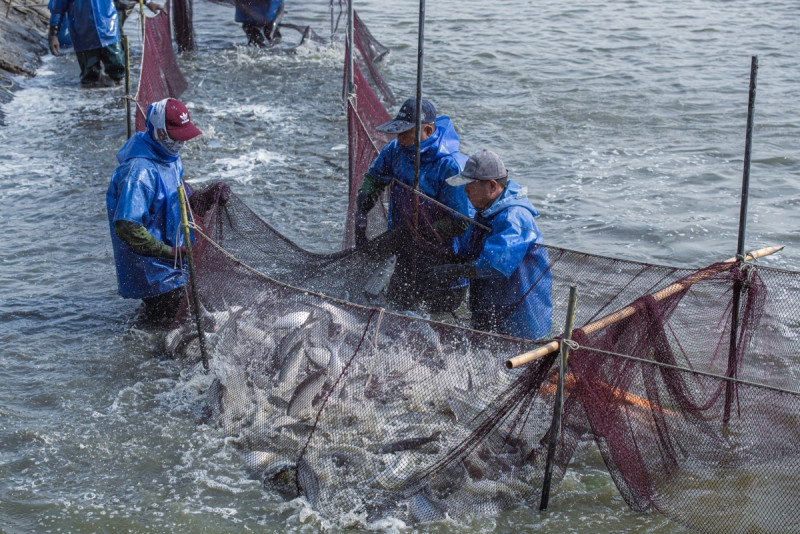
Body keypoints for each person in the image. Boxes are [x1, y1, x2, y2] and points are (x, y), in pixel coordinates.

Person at [106, 98, 230, 327]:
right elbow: (126, 226)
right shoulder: (139, 173)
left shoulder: (168, 155)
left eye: (183, 136)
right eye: (175, 136)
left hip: (175, 264)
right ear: (159, 132)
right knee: (182, 325)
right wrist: (170, 252)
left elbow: (180, 197)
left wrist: (207, 196)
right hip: (155, 272)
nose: (180, 142)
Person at [354, 97, 472, 311]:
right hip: (406, 244)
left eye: (406, 132)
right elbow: (375, 179)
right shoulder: (395, 150)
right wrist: (362, 208)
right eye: (398, 132)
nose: (399, 138)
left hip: (443, 255)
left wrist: (421, 232)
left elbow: (461, 222)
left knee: (436, 317)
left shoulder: (449, 166)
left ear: (427, 130)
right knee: (396, 307)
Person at [422, 149, 553, 340]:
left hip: (521, 316)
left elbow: (494, 265)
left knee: (512, 362)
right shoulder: (485, 211)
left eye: (469, 185)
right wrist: (444, 264)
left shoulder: (513, 218)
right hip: (491, 305)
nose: (465, 191)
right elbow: (470, 252)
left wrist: (452, 271)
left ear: (492, 186)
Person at [48, 0, 126, 86]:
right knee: (90, 78)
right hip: (84, 35)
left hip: (109, 31)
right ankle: (89, 97)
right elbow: (57, 10)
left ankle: (117, 96)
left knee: (118, 72)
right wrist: (53, 35)